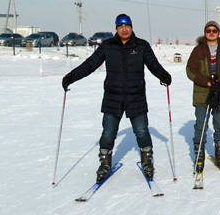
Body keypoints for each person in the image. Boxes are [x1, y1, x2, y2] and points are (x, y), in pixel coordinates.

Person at [61, 13, 172, 183]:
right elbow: (90, 64)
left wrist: (163, 75)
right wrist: (71, 77)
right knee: (108, 133)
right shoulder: (108, 46)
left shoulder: (141, 46)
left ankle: (147, 160)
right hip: (113, 97)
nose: (124, 29)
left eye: (127, 25)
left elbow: (153, 64)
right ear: (116, 29)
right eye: (120, 26)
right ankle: (105, 163)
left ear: (131, 27)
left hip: (136, 97)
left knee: (142, 131)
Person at [186, 21, 220, 172]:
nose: (211, 33)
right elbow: (190, 70)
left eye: (214, 30)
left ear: (218, 32)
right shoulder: (198, 50)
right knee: (201, 125)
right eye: (208, 30)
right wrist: (207, 82)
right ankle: (199, 154)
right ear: (205, 32)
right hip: (202, 93)